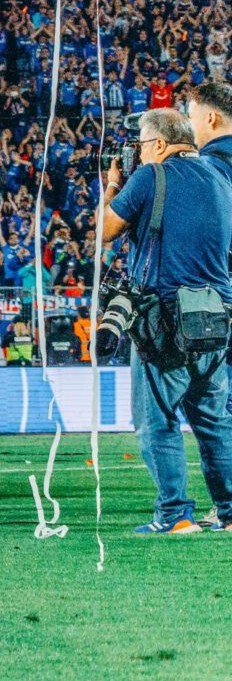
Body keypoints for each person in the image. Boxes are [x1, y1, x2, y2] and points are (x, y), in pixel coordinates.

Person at [99, 107, 232, 536]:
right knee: (213, 421)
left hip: (164, 321)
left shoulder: (149, 177)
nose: (136, 152)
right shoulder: (219, 178)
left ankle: (176, 516)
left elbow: (104, 230)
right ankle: (230, 514)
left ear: (158, 144)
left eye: (139, 144)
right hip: (214, 319)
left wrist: (113, 185)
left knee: (158, 421)